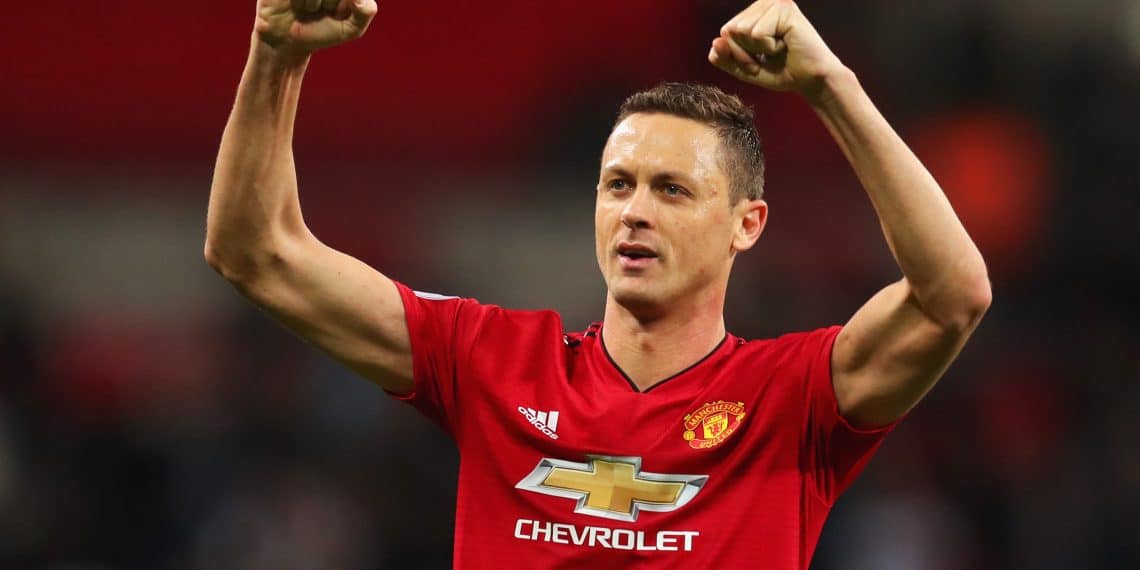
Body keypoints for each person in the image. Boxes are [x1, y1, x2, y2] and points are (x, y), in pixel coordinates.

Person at [205, 0, 991, 568]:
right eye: (618, 185)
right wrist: (276, 52)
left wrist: (832, 88)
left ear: (746, 224)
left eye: (672, 190)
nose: (634, 213)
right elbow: (256, 253)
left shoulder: (794, 399)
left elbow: (953, 295)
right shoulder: (492, 361)